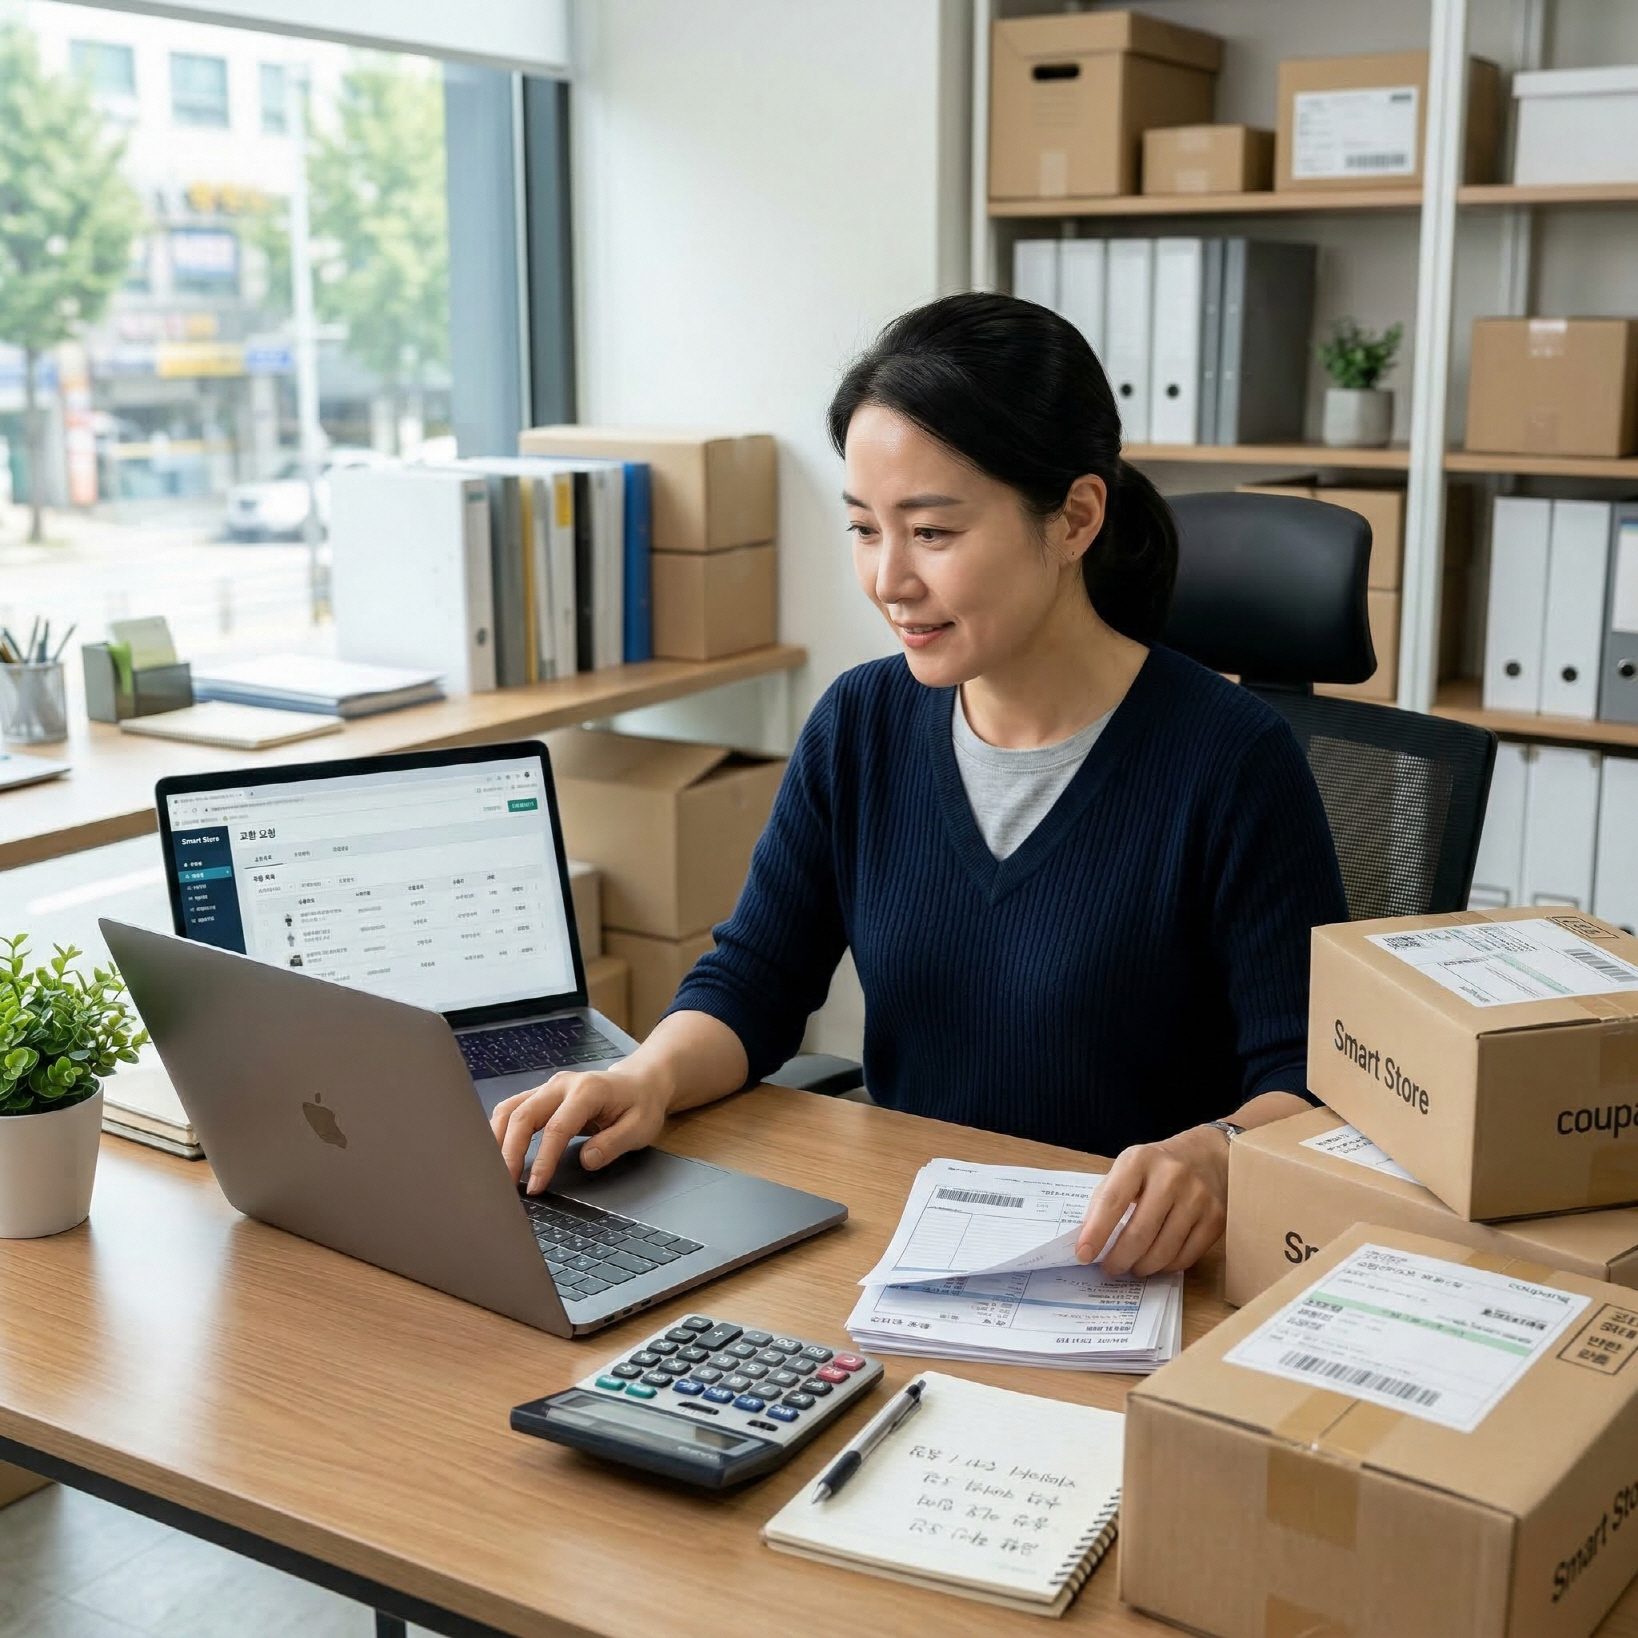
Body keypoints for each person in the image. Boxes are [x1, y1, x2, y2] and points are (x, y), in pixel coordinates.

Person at [493, 291, 1346, 1278]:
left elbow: (1309, 1087)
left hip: (1128, 1276)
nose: (888, 579)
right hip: (911, 1252)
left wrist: (1221, 1154)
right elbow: (755, 982)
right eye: (864, 529)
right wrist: (644, 1075)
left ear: (1074, 518)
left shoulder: (1233, 761)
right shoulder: (861, 725)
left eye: (932, 533)